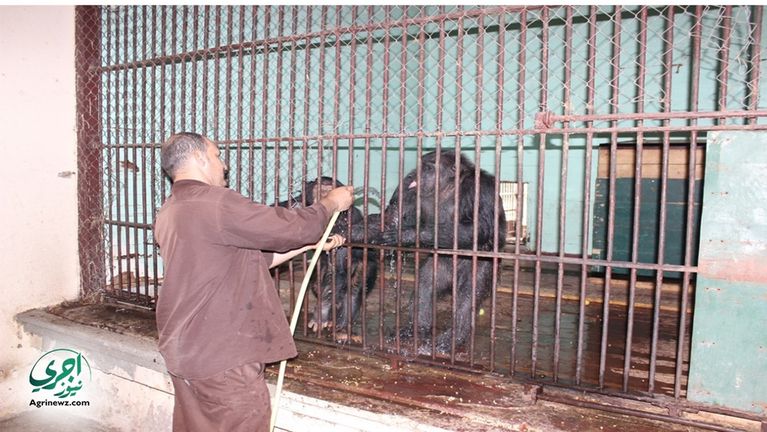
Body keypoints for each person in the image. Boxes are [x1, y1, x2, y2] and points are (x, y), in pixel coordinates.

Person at [153, 132, 354, 432]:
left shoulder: (171, 210)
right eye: (217, 155)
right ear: (198, 158)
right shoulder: (216, 203)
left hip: (185, 348)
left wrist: (309, 246)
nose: (224, 165)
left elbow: (250, 259)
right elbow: (292, 228)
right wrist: (330, 203)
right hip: (222, 354)